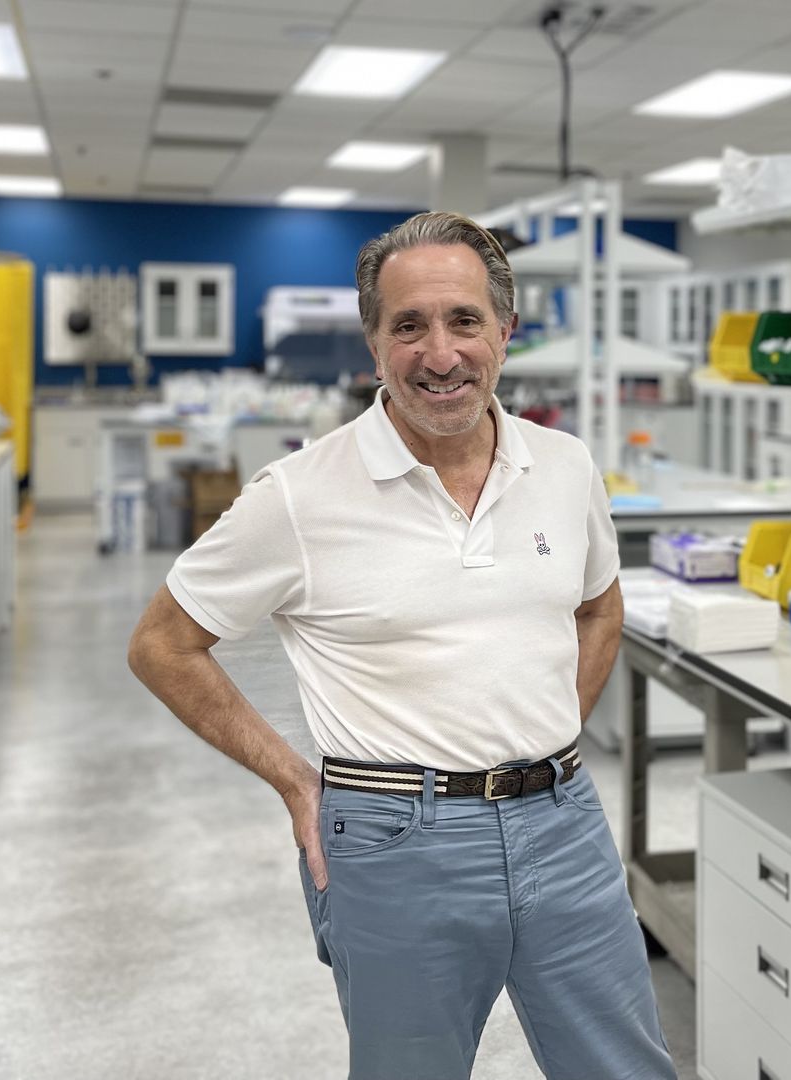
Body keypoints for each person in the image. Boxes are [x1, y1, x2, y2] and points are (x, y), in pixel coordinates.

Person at [128, 211, 676, 1080]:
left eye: (464, 321)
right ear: (373, 342)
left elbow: (598, 610)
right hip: (397, 838)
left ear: (506, 330)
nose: (441, 353)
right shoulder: (300, 495)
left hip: (565, 824)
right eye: (408, 326)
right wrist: (296, 781)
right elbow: (163, 644)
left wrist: (543, 731)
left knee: (627, 1069)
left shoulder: (566, 465)